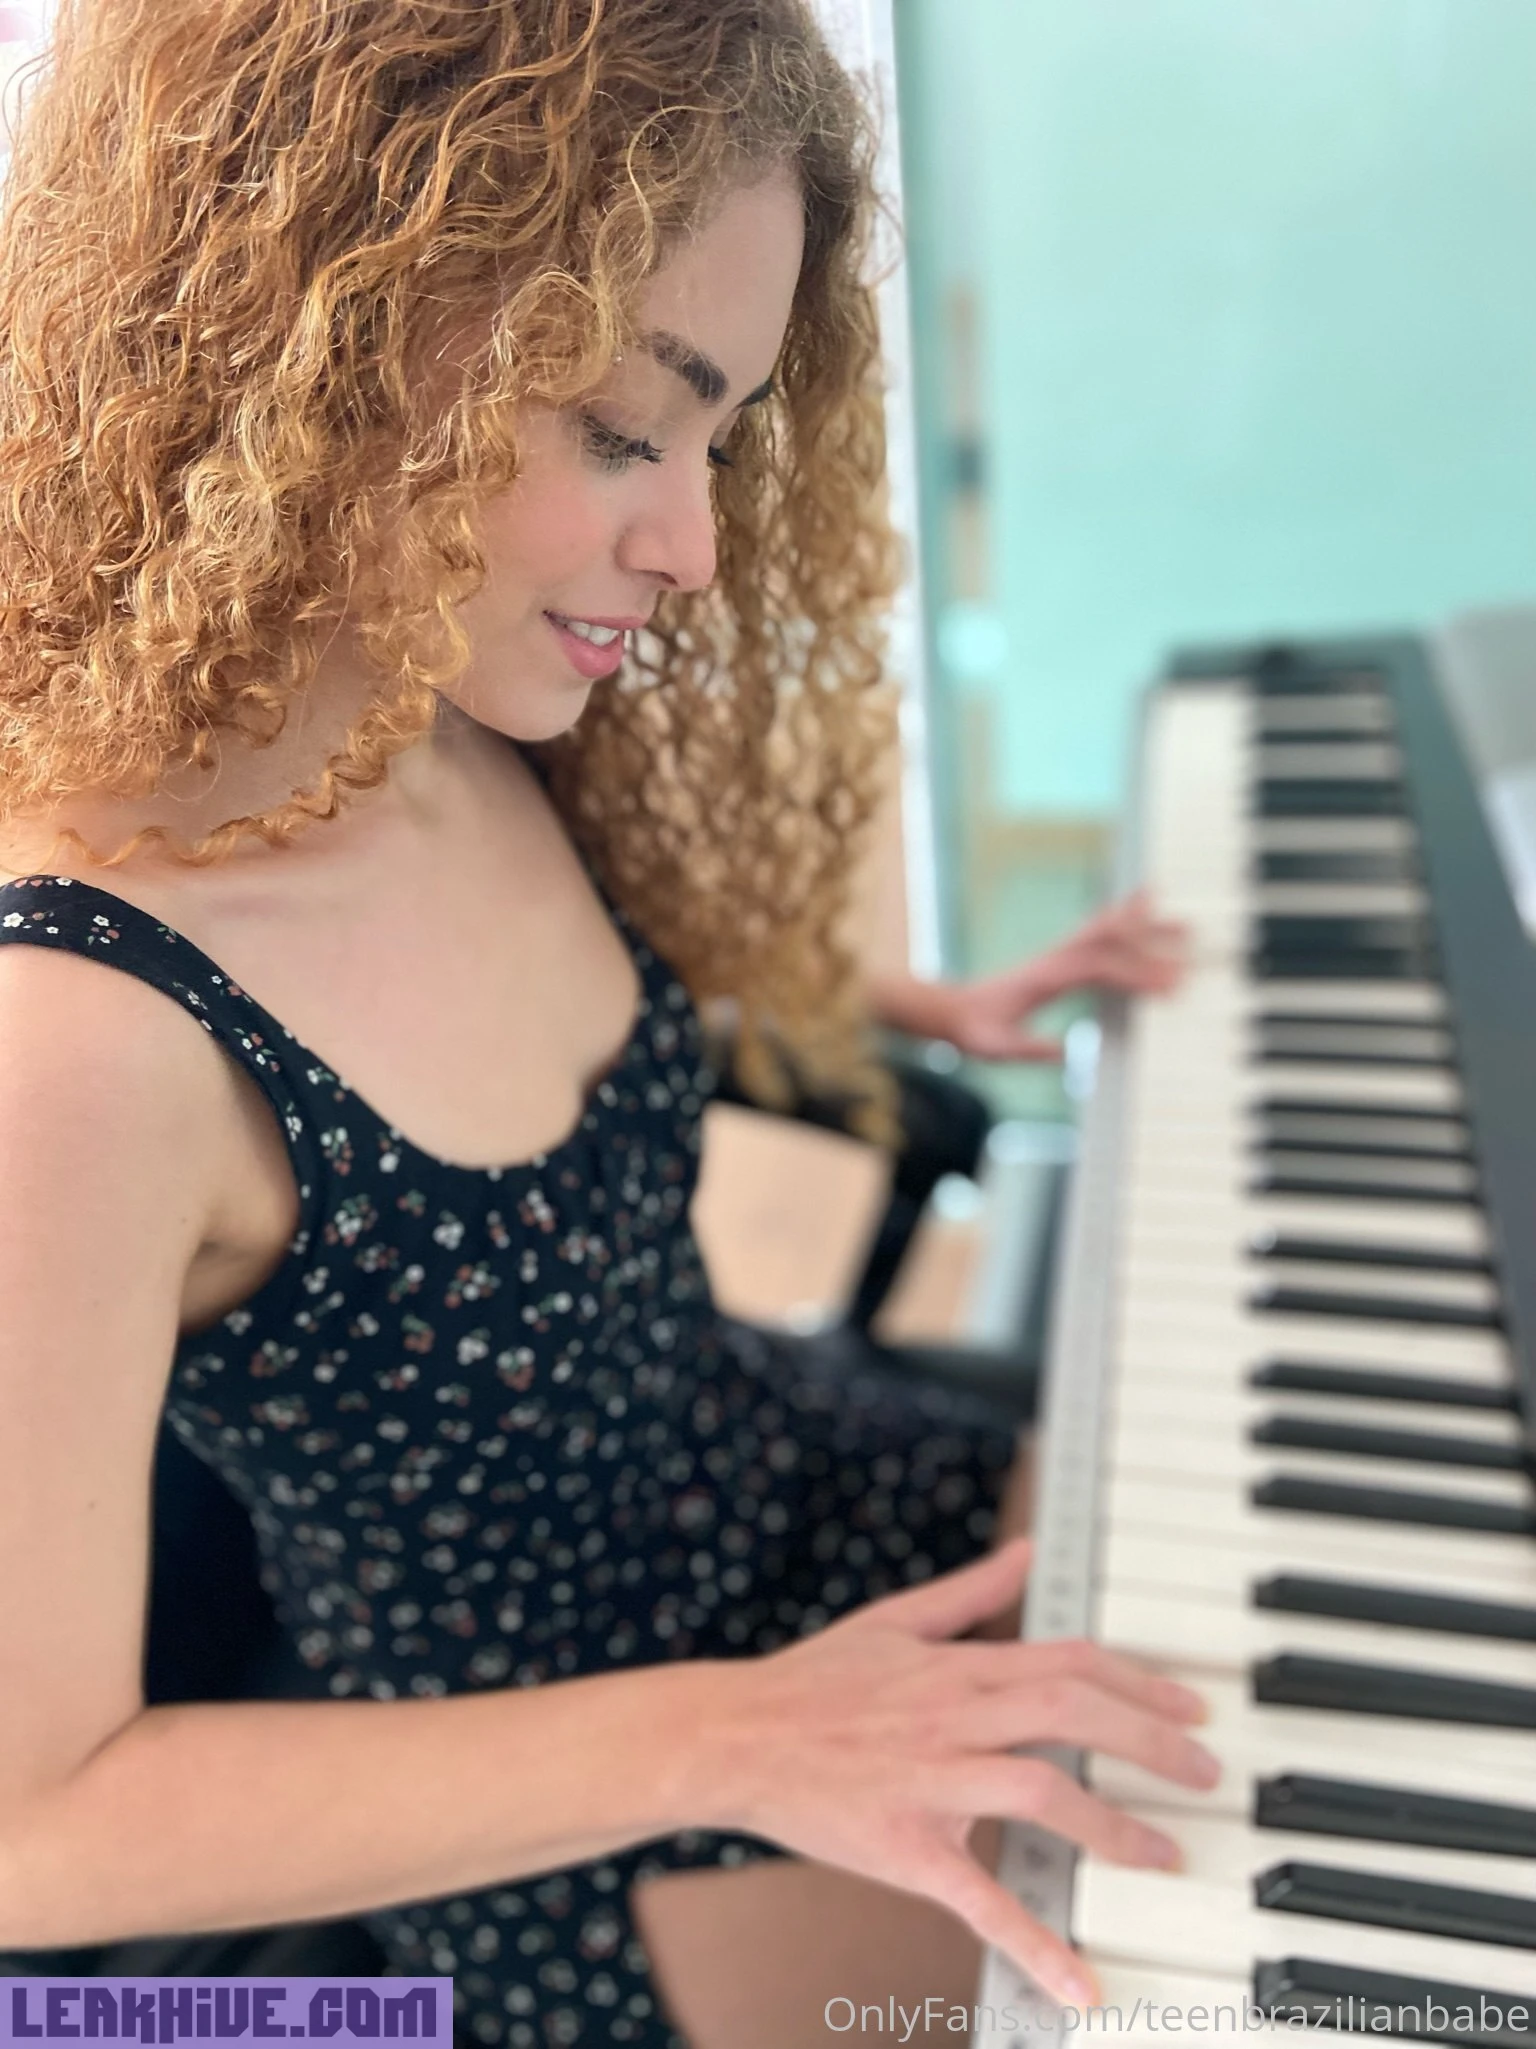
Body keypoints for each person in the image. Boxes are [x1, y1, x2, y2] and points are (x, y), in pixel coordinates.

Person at [0, 4, 1207, 2047]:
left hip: (786, 1492)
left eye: (720, 440)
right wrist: (746, 1737)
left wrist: (891, 1007)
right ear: (320, 331)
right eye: (630, 429)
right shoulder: (77, 1040)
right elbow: (28, 1832)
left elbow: (511, 1028)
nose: (697, 545)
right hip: (586, 1809)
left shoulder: (433, 707)